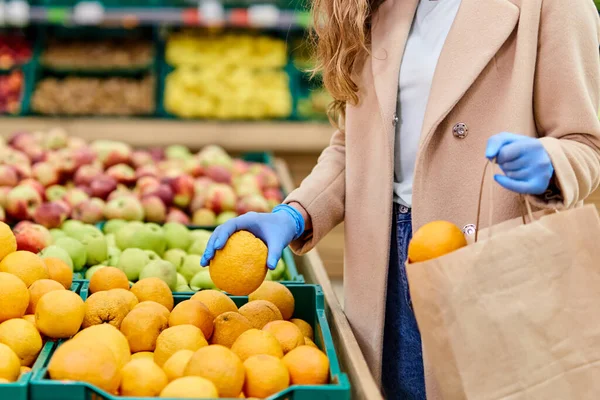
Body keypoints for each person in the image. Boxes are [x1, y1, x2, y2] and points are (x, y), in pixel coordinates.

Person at [201, 0, 600, 398]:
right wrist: (295, 213)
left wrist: (552, 163)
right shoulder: (377, 5)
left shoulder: (553, 6)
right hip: (383, 265)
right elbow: (355, 144)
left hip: (486, 265)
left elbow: (585, 143)